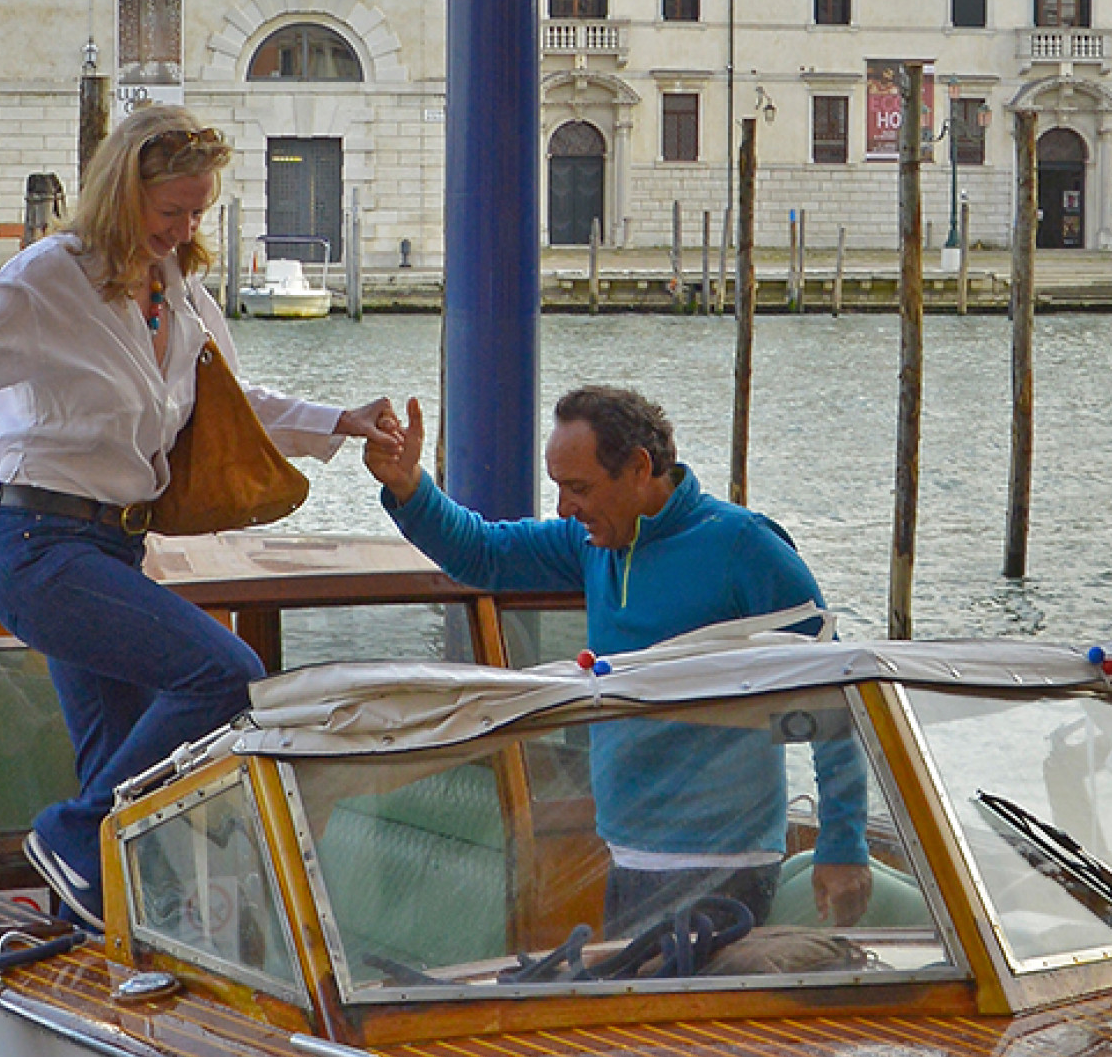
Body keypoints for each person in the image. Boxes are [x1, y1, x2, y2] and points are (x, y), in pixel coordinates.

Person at [0, 106, 383, 923]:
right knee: (227, 674)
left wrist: (340, 419)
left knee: (117, 768)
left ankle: (85, 933)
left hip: (111, 552)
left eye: (197, 211)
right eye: (171, 210)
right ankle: (73, 835)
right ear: (123, 194)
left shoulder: (179, 291)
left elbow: (228, 404)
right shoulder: (48, 278)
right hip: (38, 546)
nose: (185, 228)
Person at [359, 381, 874, 951]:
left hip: (724, 863)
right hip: (626, 852)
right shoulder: (594, 544)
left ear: (638, 468)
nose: (564, 508)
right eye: (558, 487)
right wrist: (409, 487)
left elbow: (833, 692)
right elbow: (484, 553)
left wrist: (843, 842)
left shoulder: (743, 546)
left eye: (578, 488)